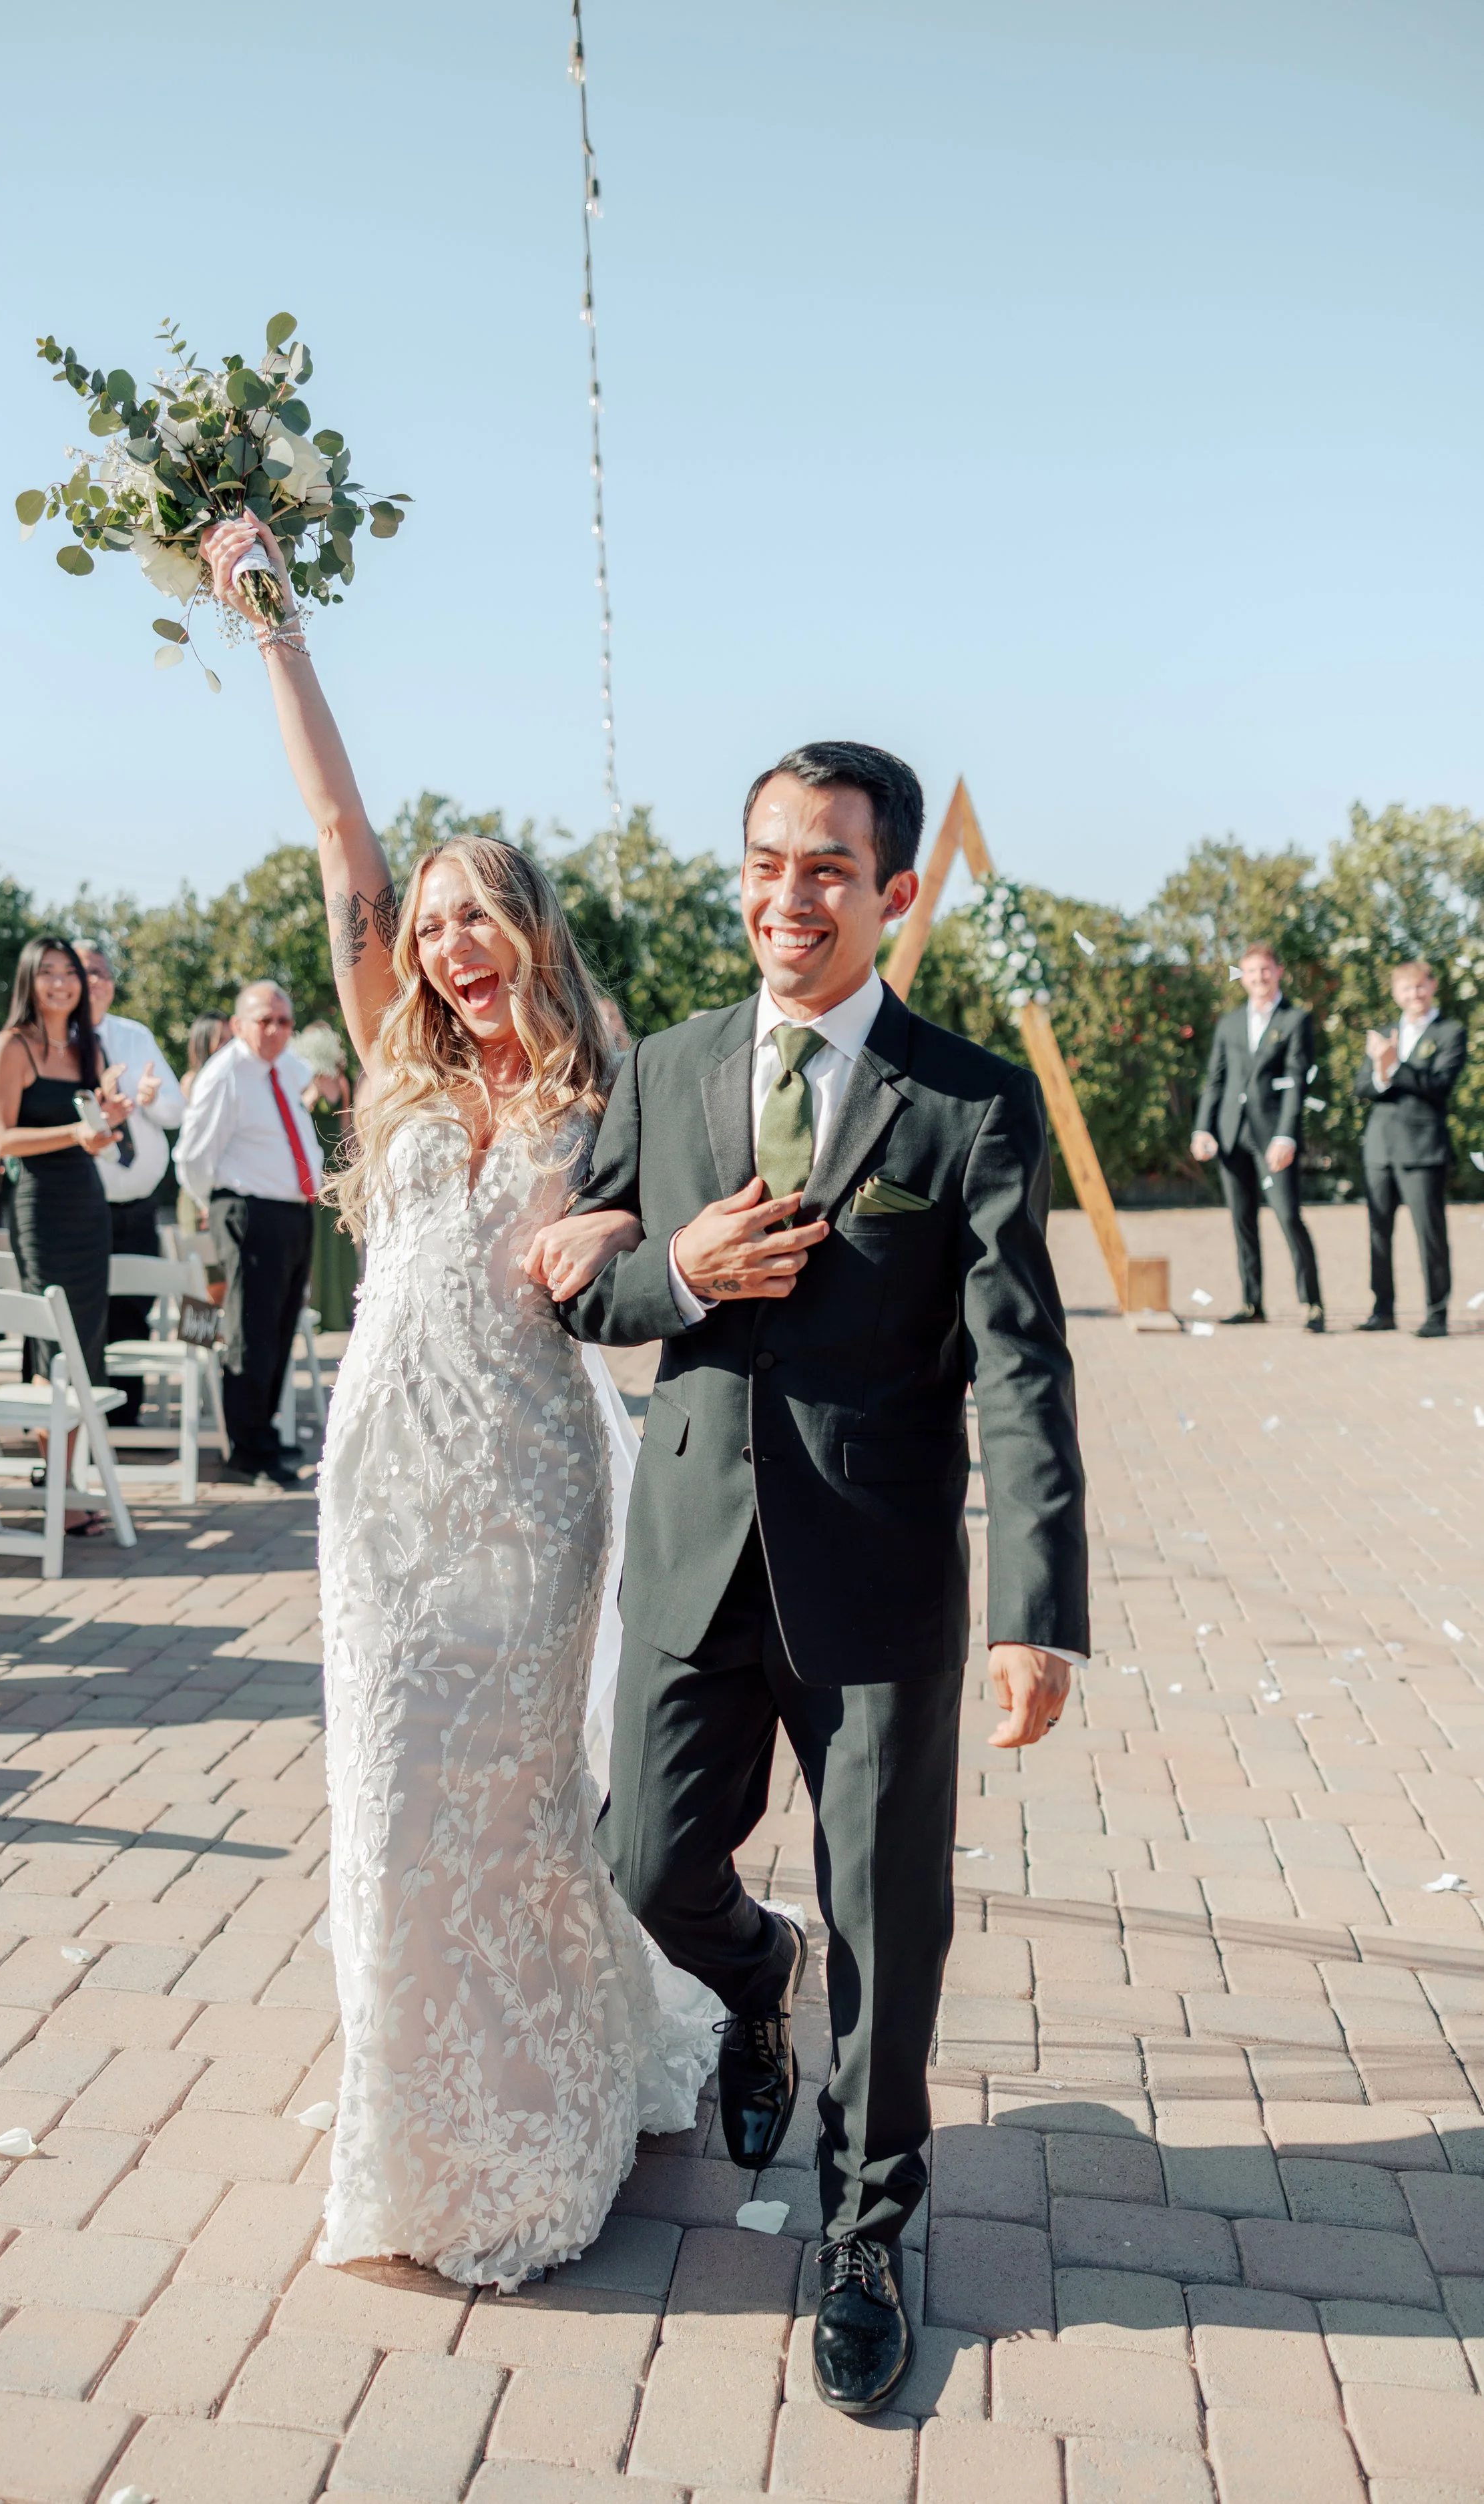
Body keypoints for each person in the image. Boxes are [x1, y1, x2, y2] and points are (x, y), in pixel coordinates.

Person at [531, 741, 1091, 2415]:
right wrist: (672, 1276)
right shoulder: (672, 1065)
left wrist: (1035, 1606)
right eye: (768, 859)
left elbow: (1023, 1370)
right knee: (645, 1863)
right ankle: (748, 1975)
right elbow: (576, 1280)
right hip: (692, 1559)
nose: (790, 895)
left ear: (892, 892)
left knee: (887, 1927)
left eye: (828, 868)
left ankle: (865, 2227)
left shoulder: (968, 1101)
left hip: (882, 1583)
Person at [199, 513, 718, 2294]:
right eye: (425, 929)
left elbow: (671, 1229)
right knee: (394, 1794)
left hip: (532, 1472)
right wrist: (273, 627)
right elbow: (341, 834)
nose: (444, 948)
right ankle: (414, 2116)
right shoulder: (394, 1051)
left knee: (506, 1796)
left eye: (473, 917)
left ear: (527, 924)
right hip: (385, 1482)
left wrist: (612, 1216)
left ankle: (546, 2090)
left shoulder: (613, 1076)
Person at [0, 936, 131, 1533]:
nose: (61, 983)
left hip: (87, 1203)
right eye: (47, 973)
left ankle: (66, 1486)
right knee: (53, 1342)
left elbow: (90, 1133)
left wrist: (104, 1127)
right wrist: (76, 1134)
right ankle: (58, 1488)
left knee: (86, 1342)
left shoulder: (85, 1045)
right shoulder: (9, 1046)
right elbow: (2, 1140)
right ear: (29, 981)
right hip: (39, 1206)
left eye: (69, 973)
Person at [176, 982, 322, 1487]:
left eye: (285, 1021)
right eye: (265, 1021)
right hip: (248, 1211)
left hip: (291, 1212)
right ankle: (247, 1451)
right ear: (238, 1025)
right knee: (249, 1331)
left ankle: (263, 1433)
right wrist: (217, 1208)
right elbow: (193, 1157)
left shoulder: (282, 1070)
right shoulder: (227, 1073)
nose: (277, 1031)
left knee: (279, 1328)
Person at [75, 942, 186, 1425]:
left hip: (138, 1203)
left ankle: (124, 1418)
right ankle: (83, 1419)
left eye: (100, 972)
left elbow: (176, 1112)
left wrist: (149, 1099)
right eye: (82, 973)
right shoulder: (51, 1040)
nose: (92, 981)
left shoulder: (135, 1036)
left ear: (111, 983)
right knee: (86, 1313)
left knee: (134, 1309)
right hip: (81, 1204)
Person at [1190, 943, 1324, 1332]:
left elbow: (1297, 1082)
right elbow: (1215, 1080)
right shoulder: (1230, 1023)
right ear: (1242, 977)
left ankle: (1313, 1304)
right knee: (1242, 1220)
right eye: (1250, 972)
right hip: (1232, 1135)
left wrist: (1287, 1135)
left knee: (1287, 1216)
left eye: (1265, 970)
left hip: (1273, 1136)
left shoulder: (1295, 1020)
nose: (1259, 978)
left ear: (1278, 972)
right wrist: (1203, 1128)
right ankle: (1253, 1303)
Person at [1355, 958, 1467, 1337]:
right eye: (1406, 988)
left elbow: (1438, 1086)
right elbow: (1363, 1088)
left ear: (1432, 987)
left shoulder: (1450, 1032)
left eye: (1420, 987)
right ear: (1395, 994)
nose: (1414, 995)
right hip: (1380, 1148)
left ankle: (1437, 1314)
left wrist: (1394, 1064)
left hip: (1423, 1149)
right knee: (1377, 1233)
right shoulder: (1385, 1031)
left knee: (1430, 1233)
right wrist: (1380, 1070)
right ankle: (1382, 1310)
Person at [294, 1018, 359, 1332]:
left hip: (336, 1164)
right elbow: (297, 1117)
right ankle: (319, 1310)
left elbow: (348, 1128)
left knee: (341, 1236)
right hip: (313, 1164)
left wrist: (353, 1166)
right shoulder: (304, 1080)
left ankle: (342, 1309)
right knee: (317, 1239)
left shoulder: (342, 1082)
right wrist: (312, 1092)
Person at [176, 1012, 232, 1235]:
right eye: (221, 1040)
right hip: (198, 1190)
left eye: (231, 1039)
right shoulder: (194, 1082)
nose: (229, 1047)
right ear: (203, 1043)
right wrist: (205, 1202)